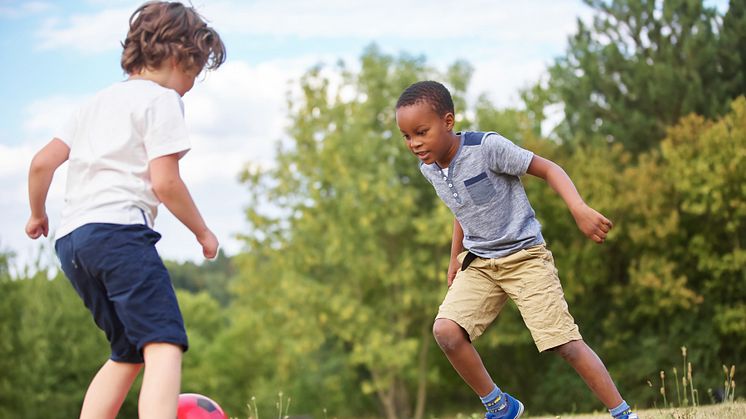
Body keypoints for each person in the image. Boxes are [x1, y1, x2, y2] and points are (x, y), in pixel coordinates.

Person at [24, 2, 225, 418]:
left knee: (126, 351)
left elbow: (41, 163)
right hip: (119, 235)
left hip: (73, 243)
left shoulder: (93, 103)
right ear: (176, 58)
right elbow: (165, 182)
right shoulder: (162, 101)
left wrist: (36, 214)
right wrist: (202, 232)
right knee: (164, 343)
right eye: (193, 72)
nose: (190, 85)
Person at [395, 80, 638, 419]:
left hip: (525, 258)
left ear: (448, 121)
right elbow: (461, 209)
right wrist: (454, 258)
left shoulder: (487, 148)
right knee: (446, 331)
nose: (415, 143)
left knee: (564, 343)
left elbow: (549, 168)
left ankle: (623, 413)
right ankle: (500, 406)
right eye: (407, 136)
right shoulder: (430, 168)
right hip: (479, 262)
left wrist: (578, 209)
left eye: (421, 131)